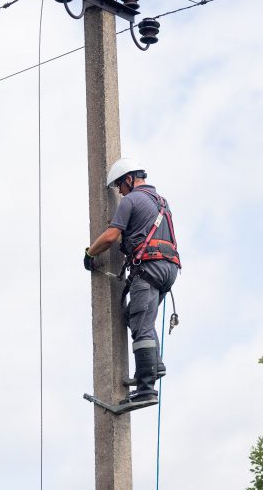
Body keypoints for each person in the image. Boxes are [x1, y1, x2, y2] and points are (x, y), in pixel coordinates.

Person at [83, 158, 180, 405]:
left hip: (148, 269)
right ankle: (153, 366)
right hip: (167, 269)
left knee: (140, 325)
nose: (119, 192)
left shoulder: (132, 200)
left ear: (129, 179)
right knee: (136, 317)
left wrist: (90, 253)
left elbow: (111, 236)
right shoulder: (160, 202)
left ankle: (147, 388)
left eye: (120, 186)